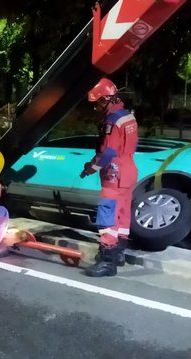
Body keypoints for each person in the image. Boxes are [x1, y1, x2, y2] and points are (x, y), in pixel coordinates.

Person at [80, 78, 138, 277]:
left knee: (107, 216)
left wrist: (91, 168)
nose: (96, 108)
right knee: (122, 215)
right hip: (129, 169)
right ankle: (119, 254)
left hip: (115, 173)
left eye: (97, 103)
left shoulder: (112, 121)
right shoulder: (128, 116)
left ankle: (107, 261)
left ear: (106, 99)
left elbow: (108, 152)